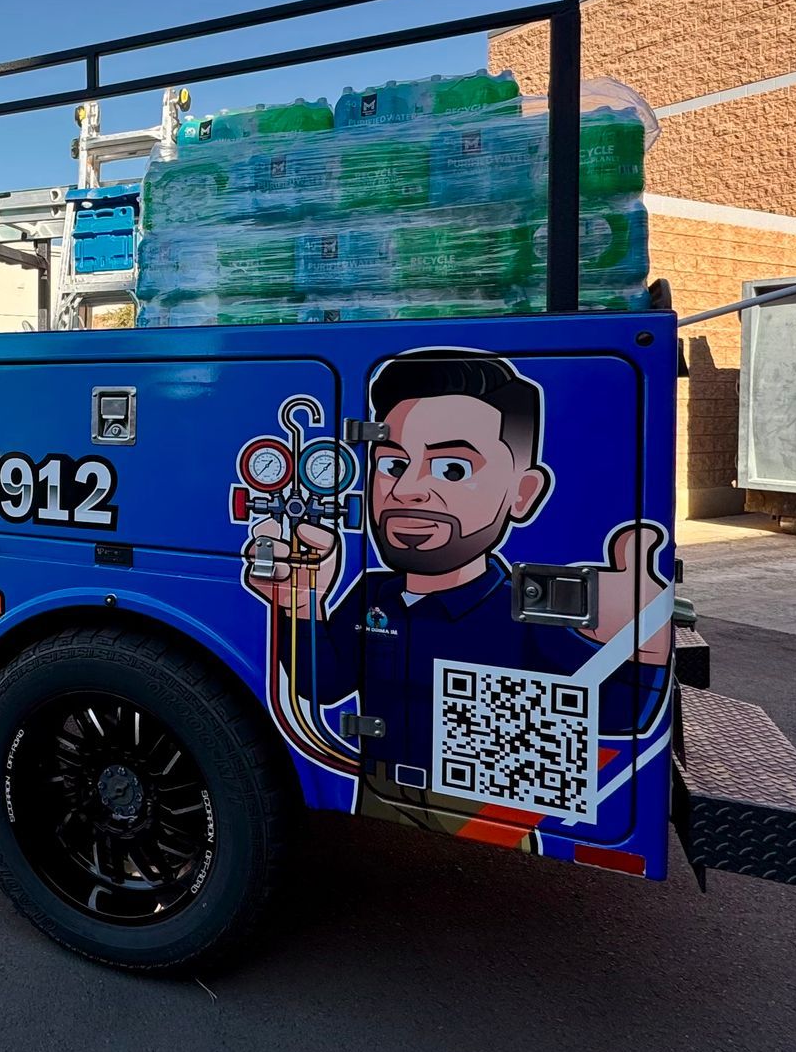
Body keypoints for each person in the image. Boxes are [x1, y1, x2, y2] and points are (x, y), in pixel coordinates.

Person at [244, 348, 670, 825]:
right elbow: (325, 685)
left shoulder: (521, 613)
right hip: (376, 790)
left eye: (452, 469)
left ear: (523, 494)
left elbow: (616, 714)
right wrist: (301, 603)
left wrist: (645, 644)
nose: (407, 491)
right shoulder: (372, 594)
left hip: (482, 807)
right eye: (392, 465)